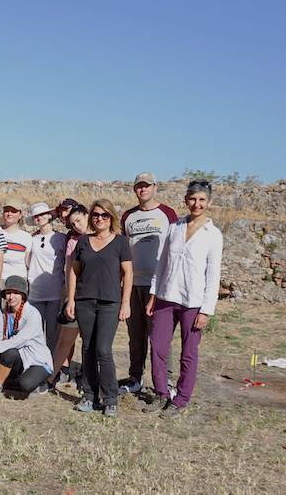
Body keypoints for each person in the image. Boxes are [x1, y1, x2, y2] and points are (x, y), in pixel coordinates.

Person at [144, 181, 223, 418]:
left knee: (188, 353)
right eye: (192, 199)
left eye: (201, 200)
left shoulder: (213, 235)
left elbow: (213, 274)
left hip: (194, 301)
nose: (196, 204)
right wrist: (152, 296)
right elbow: (162, 264)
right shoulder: (174, 228)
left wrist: (206, 310)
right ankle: (161, 393)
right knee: (157, 347)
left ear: (208, 202)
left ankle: (181, 398)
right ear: (186, 200)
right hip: (167, 297)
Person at [65, 199, 133, 417]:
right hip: (85, 301)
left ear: (111, 217)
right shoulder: (83, 241)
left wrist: (125, 303)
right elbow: (73, 271)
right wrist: (71, 299)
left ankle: (110, 398)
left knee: (103, 349)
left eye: (104, 215)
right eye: (95, 215)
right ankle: (89, 395)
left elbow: (128, 274)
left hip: (109, 303)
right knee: (87, 348)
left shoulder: (121, 242)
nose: (99, 218)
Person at [118, 173, 178, 394]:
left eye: (146, 186)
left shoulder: (168, 213)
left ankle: (166, 381)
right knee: (136, 335)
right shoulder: (129, 216)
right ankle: (135, 377)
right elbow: (123, 249)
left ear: (155, 187)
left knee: (160, 336)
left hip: (158, 284)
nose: (143, 190)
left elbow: (175, 246)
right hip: (133, 283)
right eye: (139, 187)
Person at [0, 275, 54, 404]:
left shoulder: (32, 314)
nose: (11, 297)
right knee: (9, 353)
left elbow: (16, 341)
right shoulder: (4, 312)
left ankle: (38, 381)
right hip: (17, 356)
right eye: (8, 293)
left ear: (23, 295)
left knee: (26, 385)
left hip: (36, 360)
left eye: (15, 293)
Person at [45, 204, 89, 390]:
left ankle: (88, 379)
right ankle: (51, 378)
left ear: (87, 216)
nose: (76, 225)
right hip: (75, 293)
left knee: (91, 342)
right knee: (65, 339)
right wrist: (69, 298)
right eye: (72, 223)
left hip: (95, 296)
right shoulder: (73, 239)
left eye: (79, 220)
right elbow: (70, 269)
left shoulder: (107, 237)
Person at [27, 203, 67, 353]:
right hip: (35, 292)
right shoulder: (31, 239)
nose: (39, 218)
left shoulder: (61, 238)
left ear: (49, 216)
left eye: (42, 214)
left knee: (53, 334)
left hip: (55, 291)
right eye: (36, 216)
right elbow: (27, 261)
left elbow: (66, 262)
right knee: (34, 332)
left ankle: (51, 369)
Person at [0, 198, 32, 283]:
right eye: (7, 211)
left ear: (20, 215)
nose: (9, 214)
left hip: (19, 281)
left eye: (13, 211)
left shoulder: (26, 237)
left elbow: (28, 262)